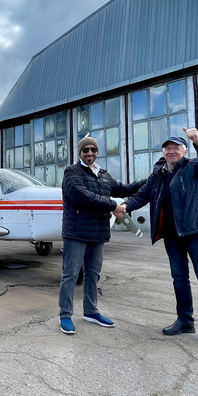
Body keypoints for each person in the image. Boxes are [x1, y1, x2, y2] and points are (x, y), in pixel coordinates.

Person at [114, 127, 198, 352]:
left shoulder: (194, 166)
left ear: (185, 151)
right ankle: (185, 320)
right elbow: (142, 195)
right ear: (163, 152)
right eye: (168, 148)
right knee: (179, 279)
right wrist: (124, 206)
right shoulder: (157, 175)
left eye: (176, 147)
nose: (171, 151)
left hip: (197, 231)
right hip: (172, 235)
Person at [59, 136, 146, 335]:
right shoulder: (72, 172)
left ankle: (91, 311)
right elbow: (82, 195)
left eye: (93, 150)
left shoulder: (104, 175)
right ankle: (65, 314)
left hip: (98, 233)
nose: (90, 153)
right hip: (76, 232)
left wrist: (149, 179)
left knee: (93, 274)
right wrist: (114, 205)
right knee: (70, 274)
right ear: (80, 152)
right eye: (85, 150)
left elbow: (125, 189)